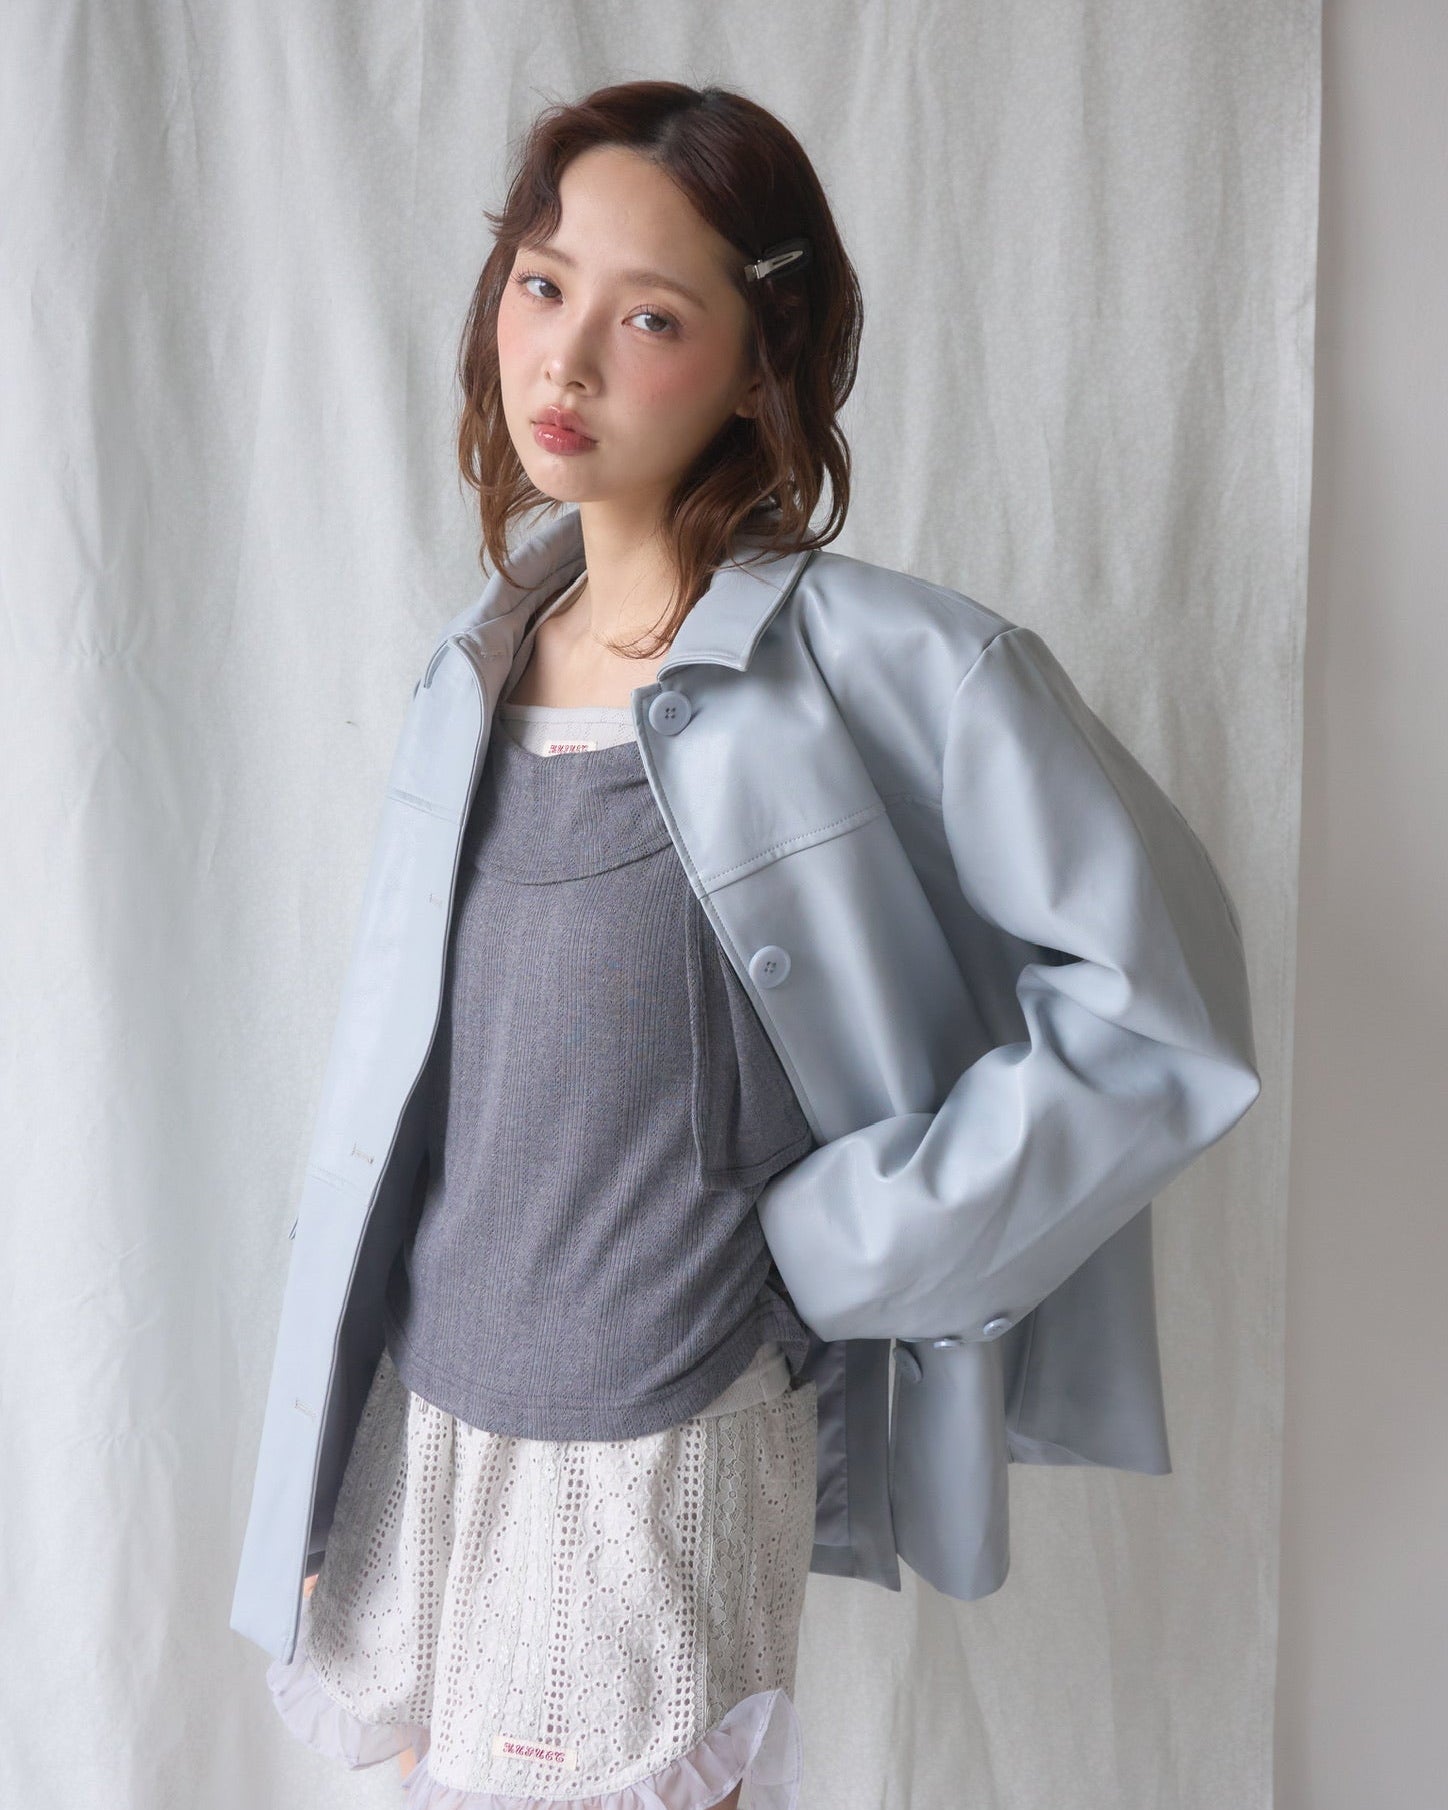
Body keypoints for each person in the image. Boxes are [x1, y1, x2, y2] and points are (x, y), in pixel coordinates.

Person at [245, 74, 1260, 1810]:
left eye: (650, 316)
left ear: (758, 363)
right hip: (432, 1414)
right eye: (542, 283)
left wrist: (854, 1244)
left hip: (663, 1433)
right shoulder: (477, 663)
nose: (564, 359)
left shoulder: (892, 669)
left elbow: (1158, 1013)